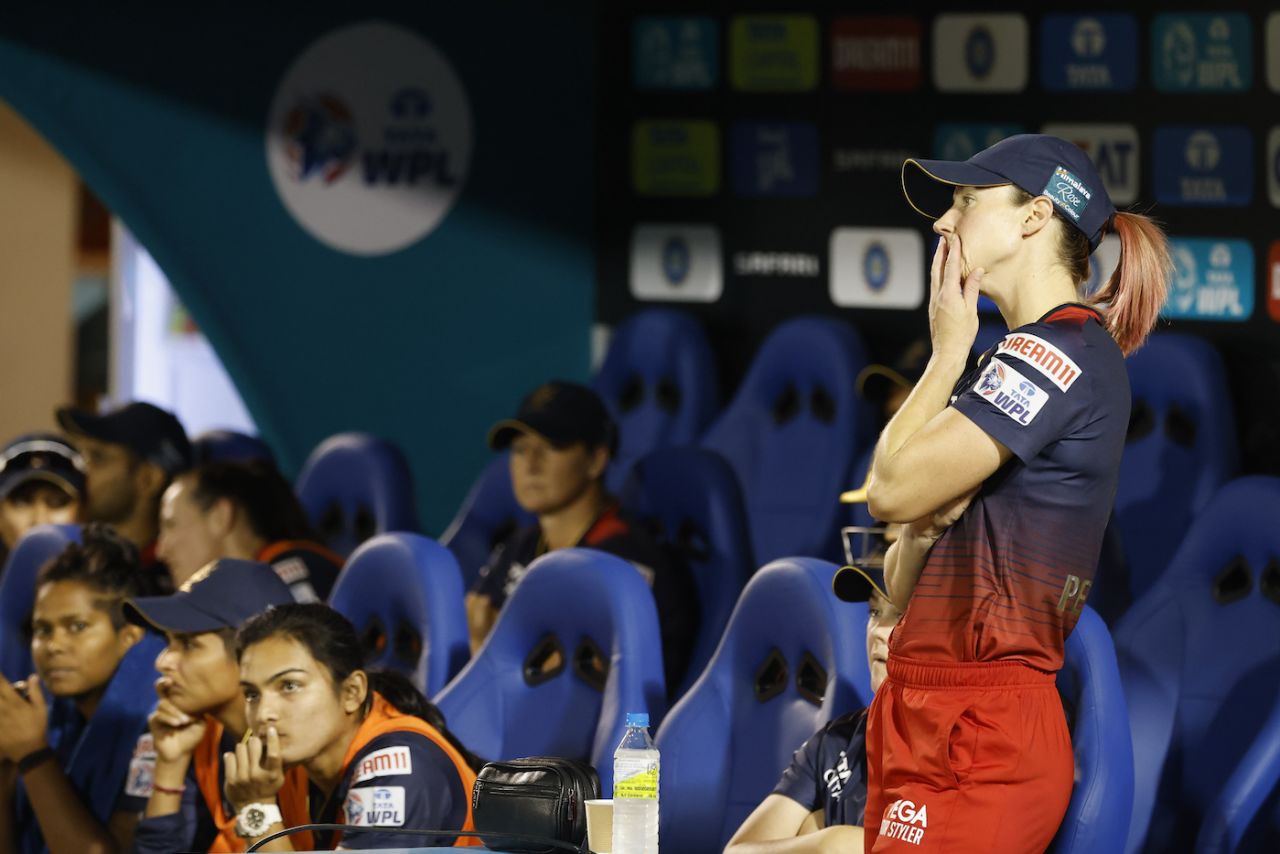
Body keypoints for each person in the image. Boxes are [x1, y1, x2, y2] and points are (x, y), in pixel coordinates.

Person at [859, 134, 1171, 850]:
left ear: (1035, 216)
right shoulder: (1012, 357)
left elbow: (888, 489)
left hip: (982, 734)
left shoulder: (1057, 352)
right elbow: (902, 577)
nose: (943, 221)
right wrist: (923, 531)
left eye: (966, 201)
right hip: (925, 710)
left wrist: (944, 355)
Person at [465, 381, 699, 690]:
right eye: (520, 449)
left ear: (596, 460)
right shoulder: (519, 546)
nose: (530, 465)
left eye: (551, 447)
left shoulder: (628, 561)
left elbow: (617, 690)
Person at [231, 604, 482, 850]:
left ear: (352, 692)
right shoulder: (287, 767)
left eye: (289, 686)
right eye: (252, 694)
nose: (264, 713)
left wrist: (256, 807)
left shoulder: (397, 767)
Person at [0, 524, 166, 854]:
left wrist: (33, 756)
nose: (54, 646)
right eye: (42, 629)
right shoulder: (53, 712)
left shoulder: (161, 713)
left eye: (77, 627)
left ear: (129, 636)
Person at [124, 558, 306, 854]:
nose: (162, 662)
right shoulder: (204, 735)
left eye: (188, 644)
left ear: (253, 653)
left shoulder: (310, 745)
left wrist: (257, 808)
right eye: (169, 643)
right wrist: (170, 766)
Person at [726, 560, 903, 854]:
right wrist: (826, 842)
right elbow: (736, 852)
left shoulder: (965, 748)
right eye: (874, 612)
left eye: (900, 615)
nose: (879, 632)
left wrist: (813, 831)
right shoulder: (837, 740)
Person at [156, 460, 342, 599]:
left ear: (220, 517)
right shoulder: (244, 595)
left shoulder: (288, 571)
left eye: (171, 525)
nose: (160, 551)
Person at [55, 402, 192, 575]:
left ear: (149, 479)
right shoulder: (73, 559)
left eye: (98, 458)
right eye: (82, 457)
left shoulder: (175, 579)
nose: (82, 472)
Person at [0, 435, 85, 570]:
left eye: (57, 502)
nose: (40, 520)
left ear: (84, 511)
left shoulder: (114, 587)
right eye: (22, 503)